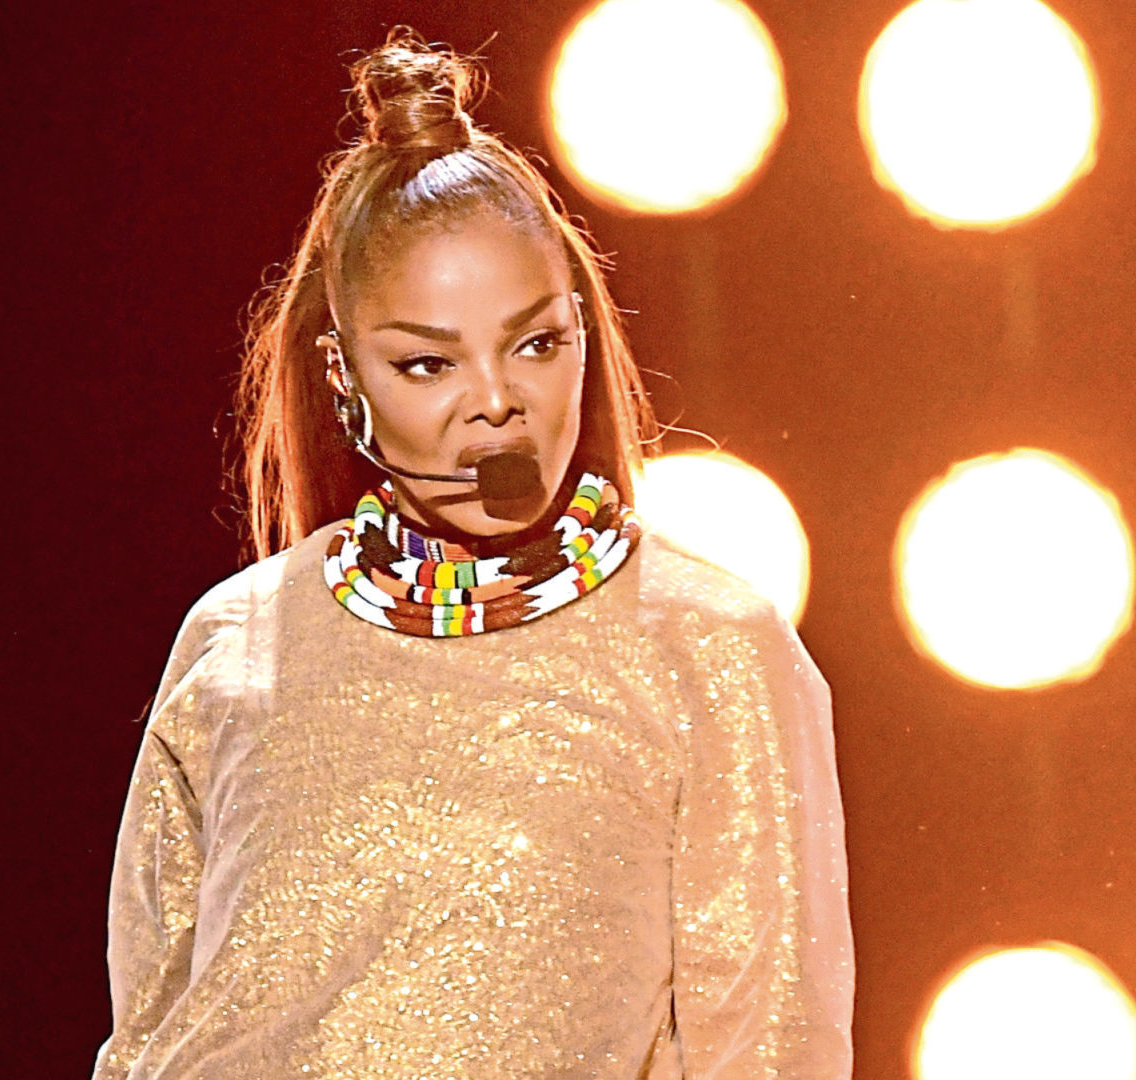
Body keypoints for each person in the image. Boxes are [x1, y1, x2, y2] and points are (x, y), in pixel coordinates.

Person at [94, 29, 853, 1080]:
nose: (496, 401)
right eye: (426, 362)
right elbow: (145, 1041)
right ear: (343, 376)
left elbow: (767, 1049)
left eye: (537, 342)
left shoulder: (707, 647)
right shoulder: (237, 644)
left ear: (586, 331)